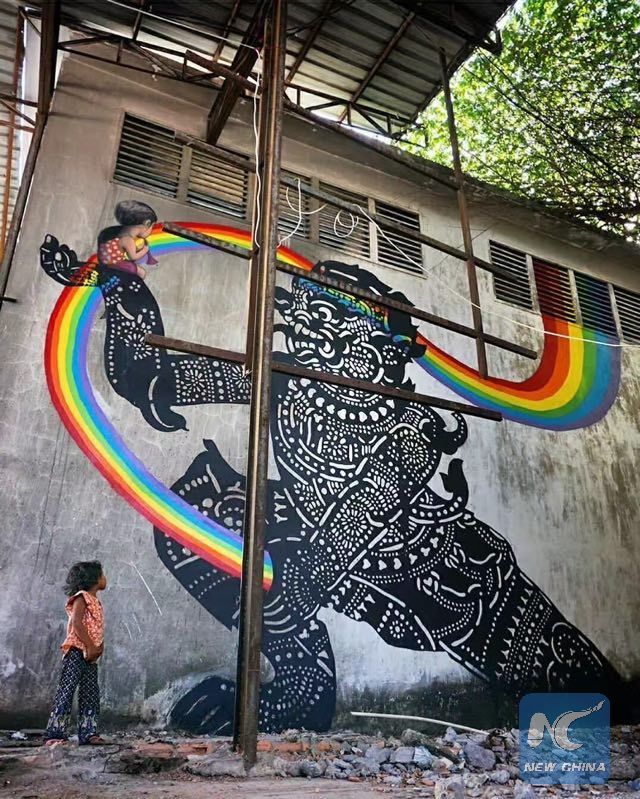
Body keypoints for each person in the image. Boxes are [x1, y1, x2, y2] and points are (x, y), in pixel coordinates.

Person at [44, 561, 107, 747]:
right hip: (76, 651)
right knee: (67, 689)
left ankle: (89, 732)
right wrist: (90, 646)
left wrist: (97, 648)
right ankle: (55, 733)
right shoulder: (81, 598)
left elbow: (96, 628)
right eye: (102, 575)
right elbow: (76, 624)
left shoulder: (96, 602)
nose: (105, 578)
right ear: (94, 579)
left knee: (90, 693)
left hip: (90, 655)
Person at [97, 200, 159, 279]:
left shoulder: (114, 231)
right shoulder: (128, 239)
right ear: (147, 223)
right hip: (114, 264)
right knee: (141, 273)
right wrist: (145, 250)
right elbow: (133, 257)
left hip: (104, 262)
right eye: (152, 226)